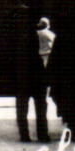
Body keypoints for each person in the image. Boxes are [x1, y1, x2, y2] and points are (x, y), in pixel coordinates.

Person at [13, 12, 51, 141]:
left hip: (24, 76)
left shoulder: (15, 36)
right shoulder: (36, 33)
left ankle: (25, 135)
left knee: (23, 107)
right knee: (40, 106)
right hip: (36, 74)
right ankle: (42, 134)